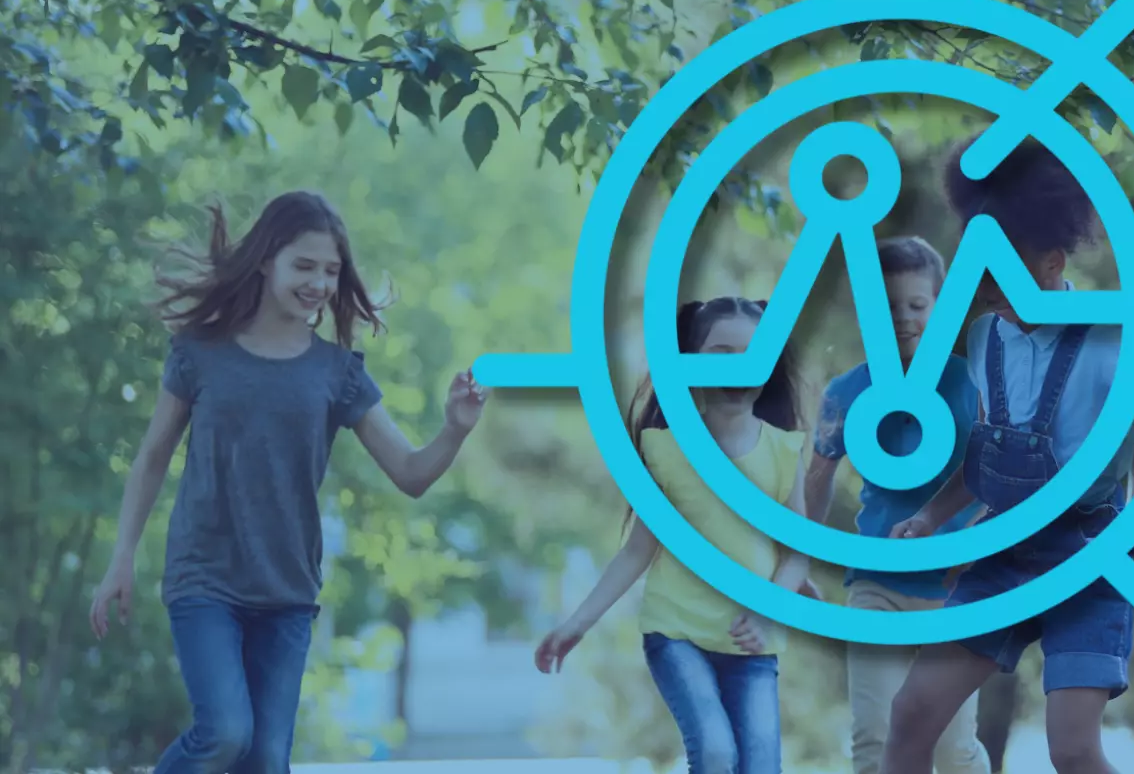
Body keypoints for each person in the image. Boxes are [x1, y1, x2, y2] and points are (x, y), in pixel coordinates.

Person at [88, 191, 490, 774]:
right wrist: (121, 557)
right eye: (305, 266)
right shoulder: (201, 354)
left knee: (267, 761)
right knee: (225, 733)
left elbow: (410, 473)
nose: (320, 284)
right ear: (265, 261)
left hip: (287, 593)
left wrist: (454, 429)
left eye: (331, 271)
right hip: (205, 579)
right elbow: (152, 457)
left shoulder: (337, 372)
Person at [881, 137, 1134, 774]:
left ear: (1051, 263)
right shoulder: (985, 338)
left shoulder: (1109, 338)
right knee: (910, 717)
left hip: (1088, 556)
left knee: (1071, 750)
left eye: (1002, 270)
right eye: (980, 272)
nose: (986, 289)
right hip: (1004, 553)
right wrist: (930, 517)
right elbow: (986, 458)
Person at [534, 297, 813, 774]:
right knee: (715, 751)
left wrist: (768, 610)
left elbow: (796, 557)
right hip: (676, 632)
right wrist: (576, 623)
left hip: (752, 643)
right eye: (720, 352)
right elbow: (638, 549)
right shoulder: (665, 450)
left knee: (761, 766)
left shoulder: (785, 452)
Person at [804, 236, 990, 774]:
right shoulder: (847, 392)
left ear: (939, 306)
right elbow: (817, 478)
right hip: (876, 586)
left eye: (917, 304)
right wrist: (793, 559)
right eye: (888, 305)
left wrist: (977, 547)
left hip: (954, 591)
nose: (904, 318)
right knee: (874, 740)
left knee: (954, 749)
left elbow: (995, 475)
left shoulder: (969, 380)